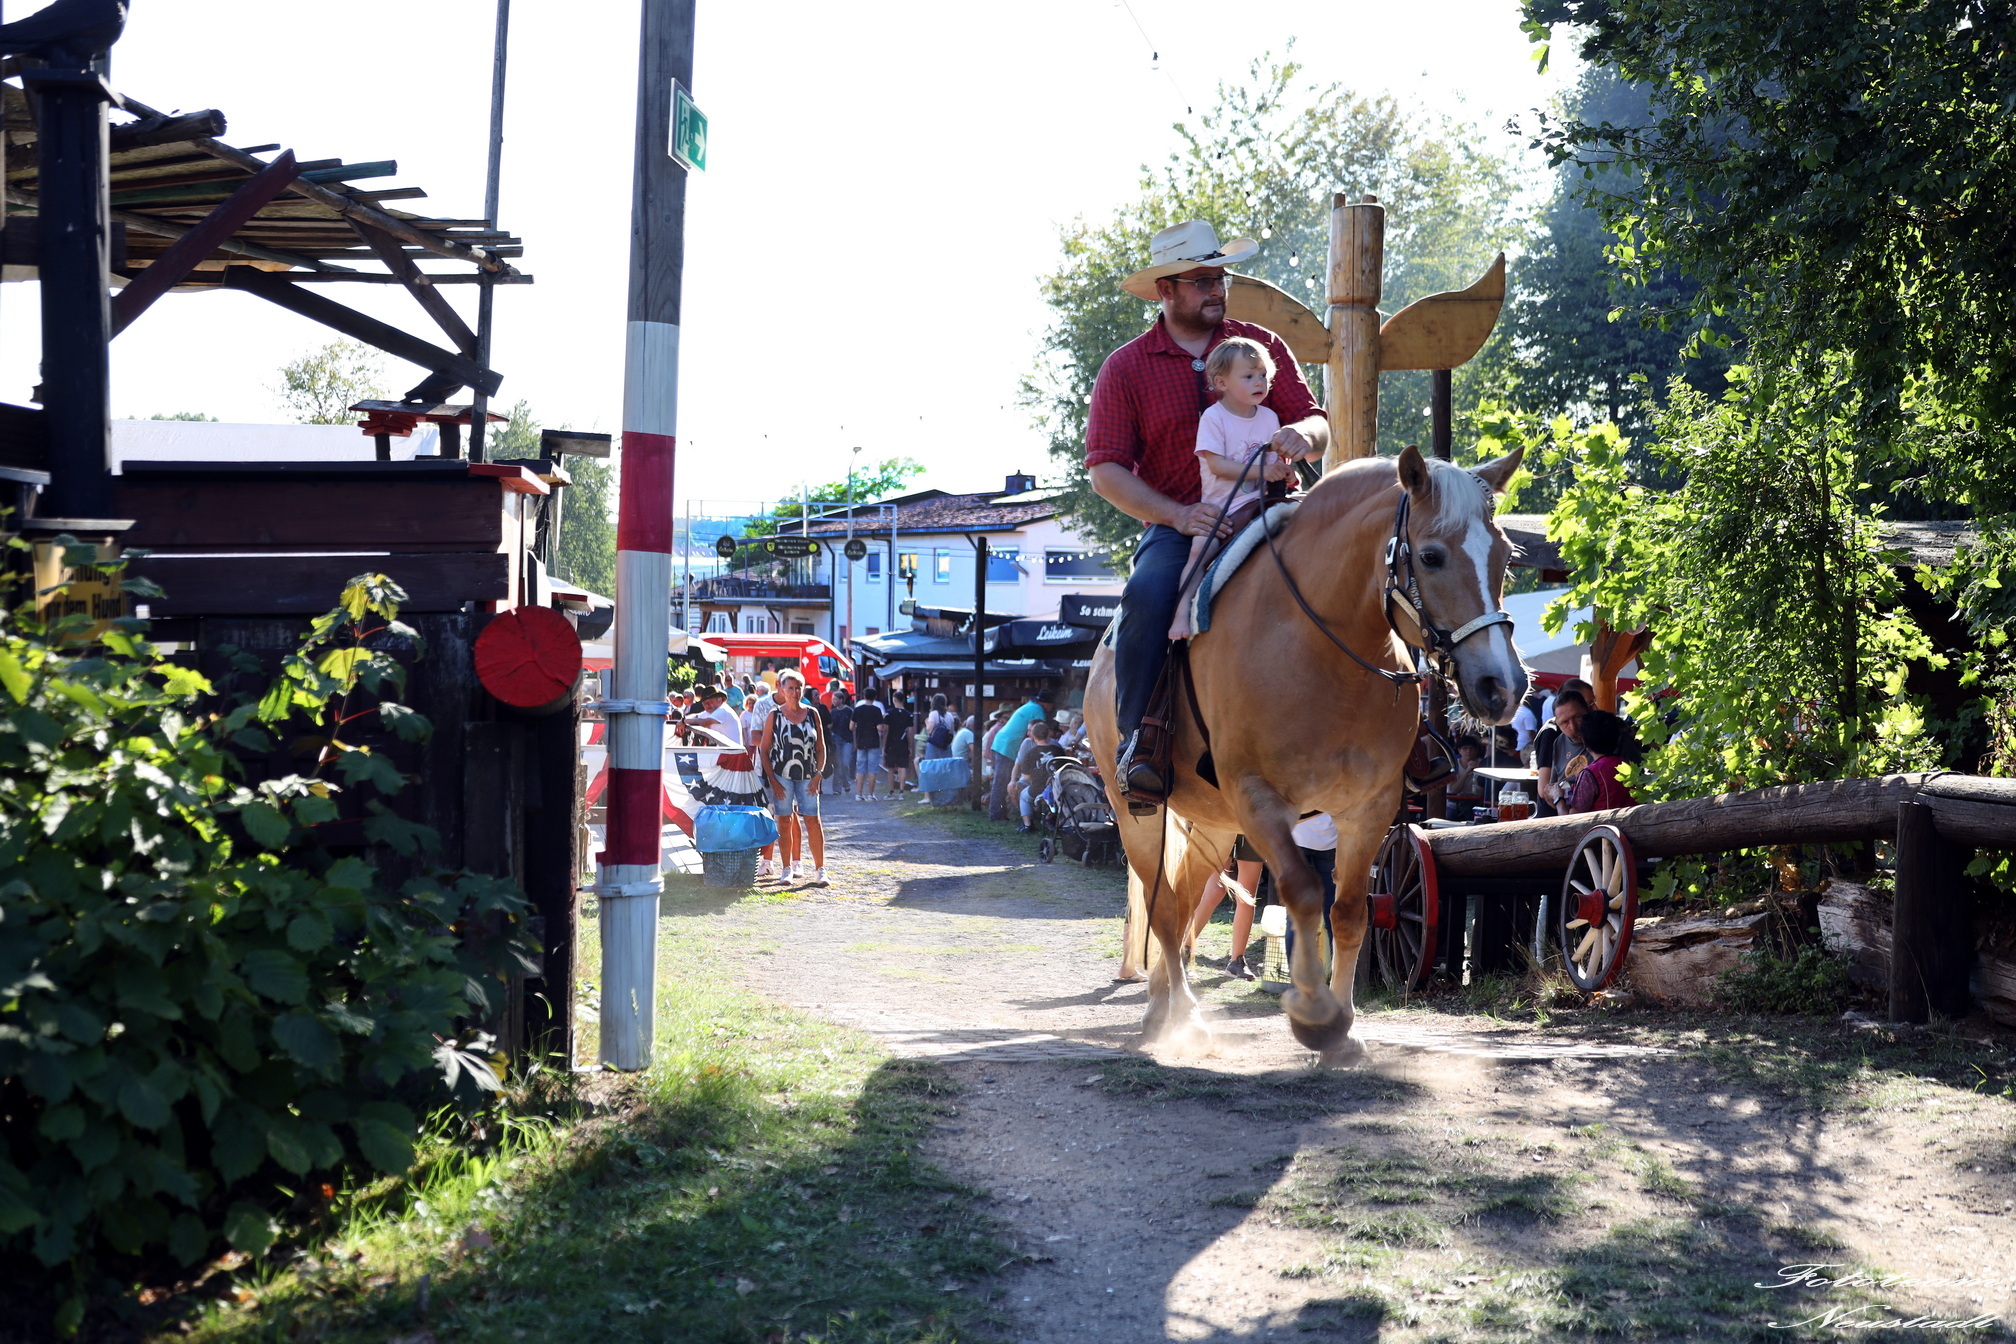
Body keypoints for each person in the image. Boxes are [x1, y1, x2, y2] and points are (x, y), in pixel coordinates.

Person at [1086, 218, 1331, 797]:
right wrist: (1176, 515)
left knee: (1370, 564)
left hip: (1279, 512)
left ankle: (1405, 727)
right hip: (1187, 526)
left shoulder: (1263, 345)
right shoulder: (1126, 367)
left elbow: (1316, 420)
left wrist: (1304, 436)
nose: (1217, 289)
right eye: (1201, 281)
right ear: (1165, 289)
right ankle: (1139, 745)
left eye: (1219, 277)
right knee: (1147, 596)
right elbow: (1105, 471)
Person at [1168, 337, 1291, 640]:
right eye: (1248, 376)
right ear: (1222, 382)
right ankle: (1181, 612)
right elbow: (1218, 466)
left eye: (1263, 375)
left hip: (1262, 505)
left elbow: (1272, 463)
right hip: (1223, 509)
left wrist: (1284, 471)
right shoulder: (1214, 418)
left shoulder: (1270, 417)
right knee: (1200, 552)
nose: (1258, 381)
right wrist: (1263, 469)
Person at [754, 671, 828, 886]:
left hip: (808, 775)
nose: (795, 693)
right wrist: (773, 781)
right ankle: (786, 868)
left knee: (813, 820)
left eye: (799, 688)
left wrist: (819, 774)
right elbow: (764, 750)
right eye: (791, 689)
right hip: (782, 775)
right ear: (782, 690)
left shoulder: (813, 713)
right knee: (784, 820)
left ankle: (820, 869)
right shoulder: (774, 716)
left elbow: (821, 748)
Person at [1188, 836, 1262, 980]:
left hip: (1252, 823)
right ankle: (1185, 949)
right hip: (1223, 822)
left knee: (1247, 895)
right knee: (1215, 890)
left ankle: (1237, 961)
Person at [989, 691, 1054, 822]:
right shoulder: (1038, 709)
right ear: (1047, 705)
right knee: (1001, 781)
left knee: (1001, 781)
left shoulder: (1030, 705)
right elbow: (1040, 734)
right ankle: (996, 815)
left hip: (1002, 742)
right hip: (1008, 745)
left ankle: (1000, 812)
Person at [1567, 710, 1637, 814]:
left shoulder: (1589, 774)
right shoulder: (1629, 766)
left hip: (1603, 828)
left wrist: (1557, 799)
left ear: (1585, 741)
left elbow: (1572, 819)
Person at [1536, 690, 1591, 814]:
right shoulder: (1558, 742)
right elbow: (1548, 791)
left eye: (1577, 718)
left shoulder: (1604, 740)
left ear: (1588, 711)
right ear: (1557, 723)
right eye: (1564, 722)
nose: (1572, 726)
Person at [1012, 719, 1057, 833]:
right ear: (1048, 734)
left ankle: (1027, 825)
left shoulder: (1031, 753)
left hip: (1038, 787)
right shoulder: (1058, 749)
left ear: (1034, 735)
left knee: (1023, 796)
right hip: (1057, 787)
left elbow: (1026, 777)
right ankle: (1048, 819)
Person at [851, 690, 887, 801]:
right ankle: (871, 794)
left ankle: (859, 794)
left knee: (861, 768)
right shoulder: (877, 710)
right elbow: (879, 728)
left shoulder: (858, 709)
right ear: (875, 697)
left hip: (861, 741)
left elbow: (851, 726)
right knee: (872, 768)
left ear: (864, 696)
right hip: (873, 741)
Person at [1444, 734, 1488, 822]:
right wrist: (1467, 770)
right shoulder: (1453, 765)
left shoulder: (1482, 764)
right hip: (1454, 803)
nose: (1468, 751)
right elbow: (1453, 790)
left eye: (1471, 748)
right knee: (1450, 815)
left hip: (1475, 804)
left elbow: (1480, 792)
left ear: (1476, 750)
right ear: (1459, 751)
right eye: (1465, 748)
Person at [883, 693, 915, 793]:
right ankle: (901, 790)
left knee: (891, 768)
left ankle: (891, 790)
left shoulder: (889, 714)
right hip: (903, 742)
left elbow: (885, 730)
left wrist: (884, 745)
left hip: (891, 743)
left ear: (894, 700)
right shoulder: (908, 714)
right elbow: (910, 731)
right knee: (902, 767)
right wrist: (910, 745)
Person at [829, 692, 855, 796]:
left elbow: (853, 728)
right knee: (838, 764)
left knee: (845, 763)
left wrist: (855, 742)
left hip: (847, 740)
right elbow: (831, 725)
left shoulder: (849, 711)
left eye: (835, 699)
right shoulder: (833, 712)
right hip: (836, 739)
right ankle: (837, 788)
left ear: (841, 700)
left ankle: (846, 783)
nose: (833, 701)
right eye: (833, 699)